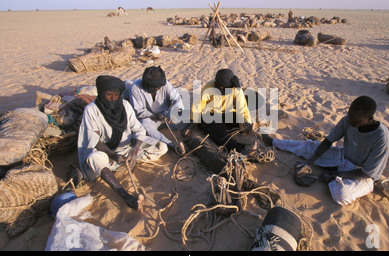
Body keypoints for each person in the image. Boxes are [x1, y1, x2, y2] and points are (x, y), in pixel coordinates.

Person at [263, 96, 389, 205]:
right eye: (350, 116)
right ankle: (273, 142)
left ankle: (332, 179)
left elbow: (368, 173)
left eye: (356, 120)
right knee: (309, 146)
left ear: (369, 118)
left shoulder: (381, 138)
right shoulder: (348, 120)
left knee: (342, 194)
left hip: (362, 173)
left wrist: (334, 174)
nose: (351, 121)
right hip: (343, 157)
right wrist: (310, 162)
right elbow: (328, 141)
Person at [78, 75, 168, 211]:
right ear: (101, 93)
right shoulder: (91, 110)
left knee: (162, 147)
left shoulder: (125, 105)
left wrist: (135, 149)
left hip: (127, 148)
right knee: (93, 158)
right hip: (106, 152)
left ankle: (125, 162)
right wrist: (113, 155)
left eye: (116, 95)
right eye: (109, 95)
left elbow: (138, 130)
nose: (113, 98)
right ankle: (126, 196)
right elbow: (94, 140)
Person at [182, 69, 258, 155]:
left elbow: (242, 109)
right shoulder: (209, 86)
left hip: (228, 114)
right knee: (218, 131)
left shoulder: (236, 89)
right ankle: (237, 148)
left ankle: (248, 139)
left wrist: (245, 122)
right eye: (220, 85)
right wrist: (192, 122)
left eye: (223, 86)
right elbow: (198, 105)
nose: (221, 87)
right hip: (211, 115)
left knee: (242, 123)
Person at [128, 66, 186, 155]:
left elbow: (177, 99)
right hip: (149, 117)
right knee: (145, 126)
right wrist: (155, 116)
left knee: (184, 117)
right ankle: (171, 145)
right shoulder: (135, 87)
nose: (157, 89)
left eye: (158, 86)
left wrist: (172, 112)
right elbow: (138, 110)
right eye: (154, 87)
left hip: (166, 114)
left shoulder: (165, 84)